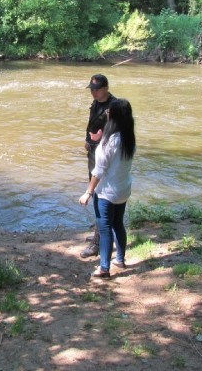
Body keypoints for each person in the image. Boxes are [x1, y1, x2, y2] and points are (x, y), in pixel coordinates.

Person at [78, 98, 135, 279]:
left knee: (105, 229)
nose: (107, 113)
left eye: (110, 111)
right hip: (123, 189)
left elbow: (99, 170)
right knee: (118, 224)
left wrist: (88, 192)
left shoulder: (109, 142)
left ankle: (104, 268)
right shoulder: (128, 137)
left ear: (115, 115)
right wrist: (99, 139)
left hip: (107, 192)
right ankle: (120, 259)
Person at [80, 74, 116, 258]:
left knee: (101, 197)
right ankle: (98, 231)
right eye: (91, 89)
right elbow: (92, 122)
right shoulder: (96, 103)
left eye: (96, 89)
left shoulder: (115, 107)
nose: (93, 92)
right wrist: (88, 139)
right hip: (94, 152)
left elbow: (118, 134)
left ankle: (98, 242)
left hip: (105, 157)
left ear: (105, 88)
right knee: (94, 194)